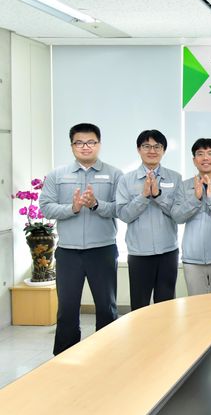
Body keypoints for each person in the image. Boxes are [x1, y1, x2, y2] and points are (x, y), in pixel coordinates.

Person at [39, 123, 122, 355]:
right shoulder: (57, 175)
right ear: (72, 145)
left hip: (102, 250)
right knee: (67, 309)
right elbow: (46, 207)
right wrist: (72, 208)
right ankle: (66, 357)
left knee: (106, 307)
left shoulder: (115, 174)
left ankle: (108, 355)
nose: (85, 147)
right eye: (79, 142)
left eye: (91, 142)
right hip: (68, 252)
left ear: (99, 144)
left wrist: (96, 204)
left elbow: (121, 208)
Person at [172, 138, 211, 376]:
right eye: (200, 153)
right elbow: (177, 216)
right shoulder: (184, 186)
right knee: (197, 311)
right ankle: (198, 356)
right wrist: (196, 198)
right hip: (193, 258)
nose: (205, 158)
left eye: (210, 153)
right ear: (194, 159)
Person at [116, 130, 181, 311]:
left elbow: (179, 214)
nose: (152, 150)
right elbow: (124, 215)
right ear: (139, 149)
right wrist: (143, 197)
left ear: (163, 150)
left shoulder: (175, 178)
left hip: (168, 250)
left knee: (166, 305)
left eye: (157, 146)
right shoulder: (126, 180)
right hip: (139, 252)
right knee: (139, 306)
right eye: (146, 146)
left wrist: (158, 195)